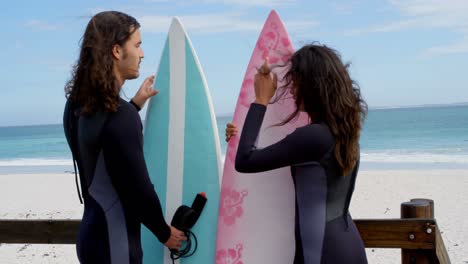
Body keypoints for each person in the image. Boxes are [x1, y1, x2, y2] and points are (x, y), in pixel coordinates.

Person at [225, 44, 368, 263]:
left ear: (312, 86)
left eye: (296, 82)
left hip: (320, 252)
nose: (292, 90)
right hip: (347, 244)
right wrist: (239, 134)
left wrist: (261, 100)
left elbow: (245, 160)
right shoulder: (345, 132)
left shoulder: (312, 137)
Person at [63, 11, 186, 264]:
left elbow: (101, 141)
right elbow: (139, 189)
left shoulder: (75, 106)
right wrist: (164, 233)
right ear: (117, 51)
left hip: (90, 237)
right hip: (116, 244)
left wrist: (134, 106)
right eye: (138, 45)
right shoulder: (120, 116)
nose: (141, 54)